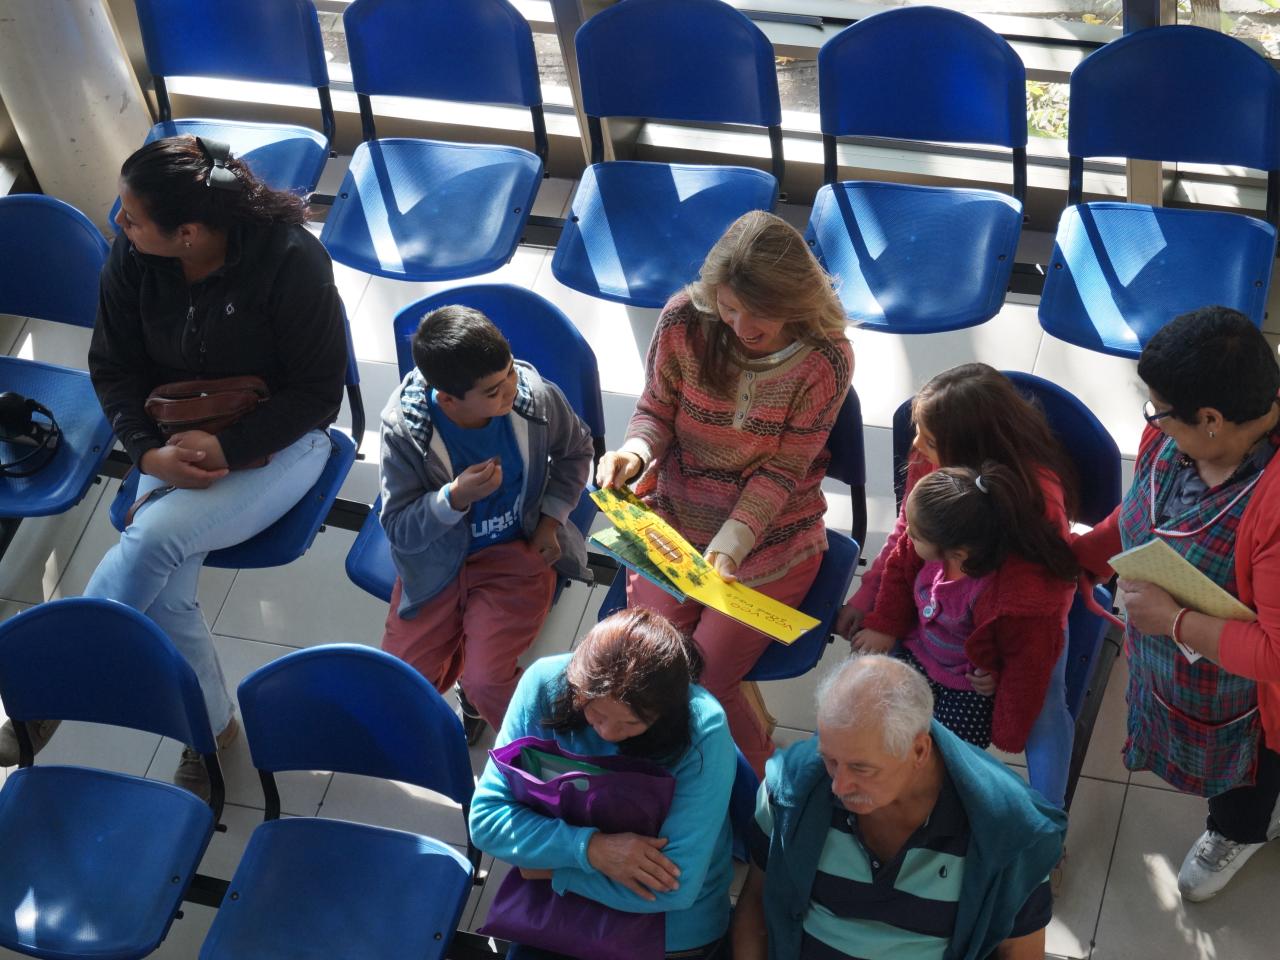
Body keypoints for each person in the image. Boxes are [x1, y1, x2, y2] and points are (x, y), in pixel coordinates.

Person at [0, 136, 348, 796]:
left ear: (187, 233)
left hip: (286, 438)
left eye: (130, 216)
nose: (117, 223)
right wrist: (148, 450)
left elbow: (317, 394)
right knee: (167, 597)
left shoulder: (293, 262)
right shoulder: (134, 258)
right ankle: (213, 734)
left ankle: (56, 686)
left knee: (154, 539)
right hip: (175, 433)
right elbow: (113, 365)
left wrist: (230, 447)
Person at [595, 210, 853, 778]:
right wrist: (635, 452)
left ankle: (763, 787)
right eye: (729, 308)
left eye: (759, 313)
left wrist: (734, 542)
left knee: (709, 679)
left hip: (770, 543)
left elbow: (786, 471)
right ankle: (688, 777)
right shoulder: (685, 318)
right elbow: (656, 409)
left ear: (798, 298)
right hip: (674, 528)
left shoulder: (825, 358)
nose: (740, 326)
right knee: (653, 670)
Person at [1073, 306, 1280, 902]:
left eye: (1161, 410)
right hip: (1180, 665)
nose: (1153, 420)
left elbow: (1274, 651)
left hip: (1255, 700)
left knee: (1252, 778)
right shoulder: (1174, 438)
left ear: (1212, 420)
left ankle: (1239, 831)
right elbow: (1140, 511)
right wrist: (1083, 555)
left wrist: (1175, 621)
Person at [837, 362, 1080, 807]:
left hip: (1018, 625)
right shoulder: (933, 465)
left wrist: (1000, 665)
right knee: (873, 685)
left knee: (1043, 705)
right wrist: (871, 593)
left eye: (928, 439)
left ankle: (1049, 821)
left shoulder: (1036, 498)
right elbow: (906, 534)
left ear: (968, 448)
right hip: (941, 604)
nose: (915, 446)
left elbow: (1044, 598)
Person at [732, 654, 1064, 960]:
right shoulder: (791, 790)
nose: (838, 786)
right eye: (830, 760)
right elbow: (756, 904)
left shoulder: (1008, 830)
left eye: (862, 768)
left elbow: (1020, 951)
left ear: (919, 751)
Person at [378, 304, 593, 743]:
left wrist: (550, 522)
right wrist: (452, 498)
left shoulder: (535, 399)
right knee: (406, 681)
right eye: (494, 390)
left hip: (515, 555)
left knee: (487, 681)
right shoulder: (405, 433)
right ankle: (464, 660)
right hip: (437, 564)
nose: (511, 390)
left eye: (510, 372)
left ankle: (539, 758)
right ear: (448, 400)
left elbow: (577, 451)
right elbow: (399, 527)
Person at [469, 608, 737, 959]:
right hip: (557, 916)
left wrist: (552, 869)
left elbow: (675, 888)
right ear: (576, 685)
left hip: (667, 930)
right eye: (595, 713)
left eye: (629, 724)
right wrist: (591, 849)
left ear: (663, 714)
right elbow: (487, 821)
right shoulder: (543, 684)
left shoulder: (704, 728)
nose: (609, 732)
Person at [848, 463, 1077, 754]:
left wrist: (996, 675)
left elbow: (1026, 661)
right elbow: (897, 575)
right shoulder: (928, 547)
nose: (908, 536)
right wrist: (884, 626)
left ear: (958, 552)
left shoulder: (1007, 596)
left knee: (949, 758)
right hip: (919, 657)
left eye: (916, 535)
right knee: (886, 733)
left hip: (968, 689)